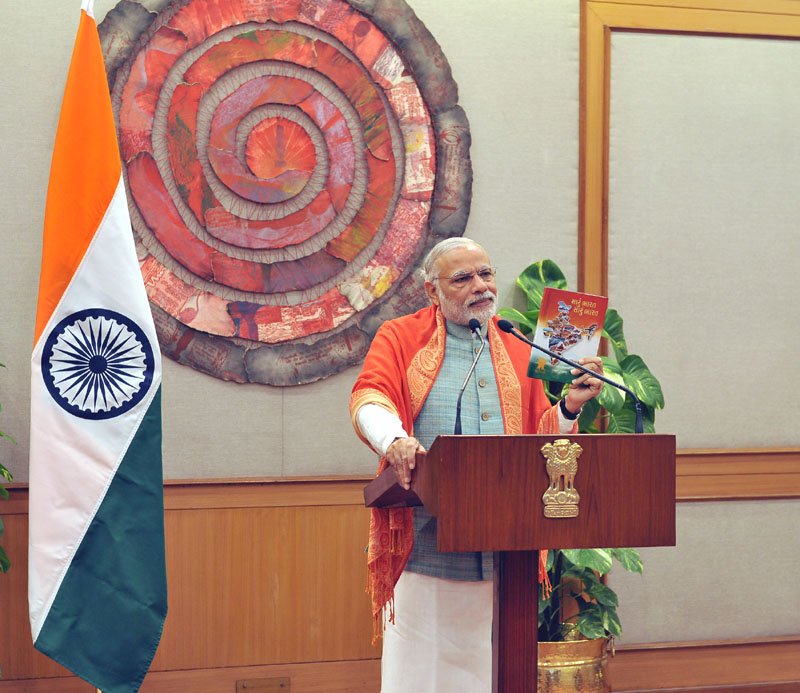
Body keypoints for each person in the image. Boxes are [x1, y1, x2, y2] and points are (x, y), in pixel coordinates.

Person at [349, 237, 604, 692]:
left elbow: (538, 435)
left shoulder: (515, 340)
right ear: (432, 292)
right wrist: (396, 441)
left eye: (485, 274)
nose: (480, 286)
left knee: (494, 668)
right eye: (462, 278)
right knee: (421, 671)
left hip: (507, 544)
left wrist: (569, 408)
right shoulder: (401, 335)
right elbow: (370, 396)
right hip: (427, 534)